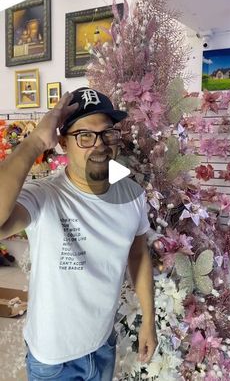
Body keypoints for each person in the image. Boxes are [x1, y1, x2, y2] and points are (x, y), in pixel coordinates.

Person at [0, 87, 157, 381]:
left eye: (107, 133)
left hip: (102, 344)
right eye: (84, 136)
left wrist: (149, 319)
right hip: (53, 360)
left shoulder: (132, 194)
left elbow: (138, 254)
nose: (99, 145)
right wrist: (35, 141)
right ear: (62, 143)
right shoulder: (44, 195)